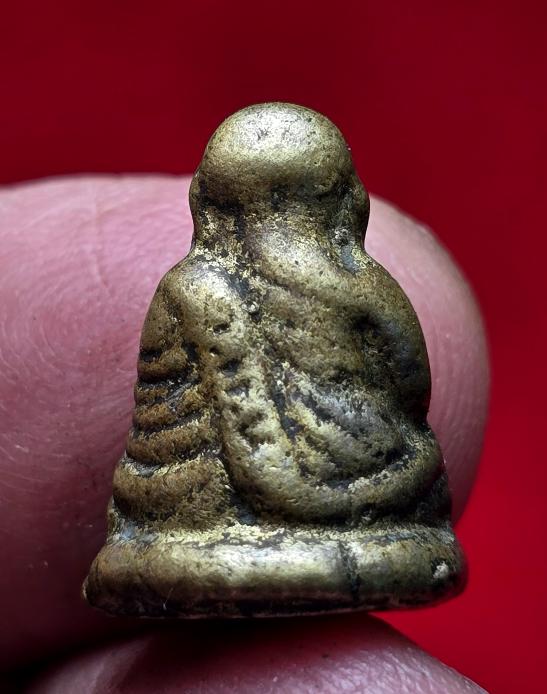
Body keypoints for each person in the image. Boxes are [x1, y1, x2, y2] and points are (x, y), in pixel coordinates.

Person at [0, 174, 489, 692]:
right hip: (197, 492)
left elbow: (409, 393)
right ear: (348, 204)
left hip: (339, 481)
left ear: (208, 209)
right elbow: (410, 385)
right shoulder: (208, 290)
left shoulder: (355, 284)